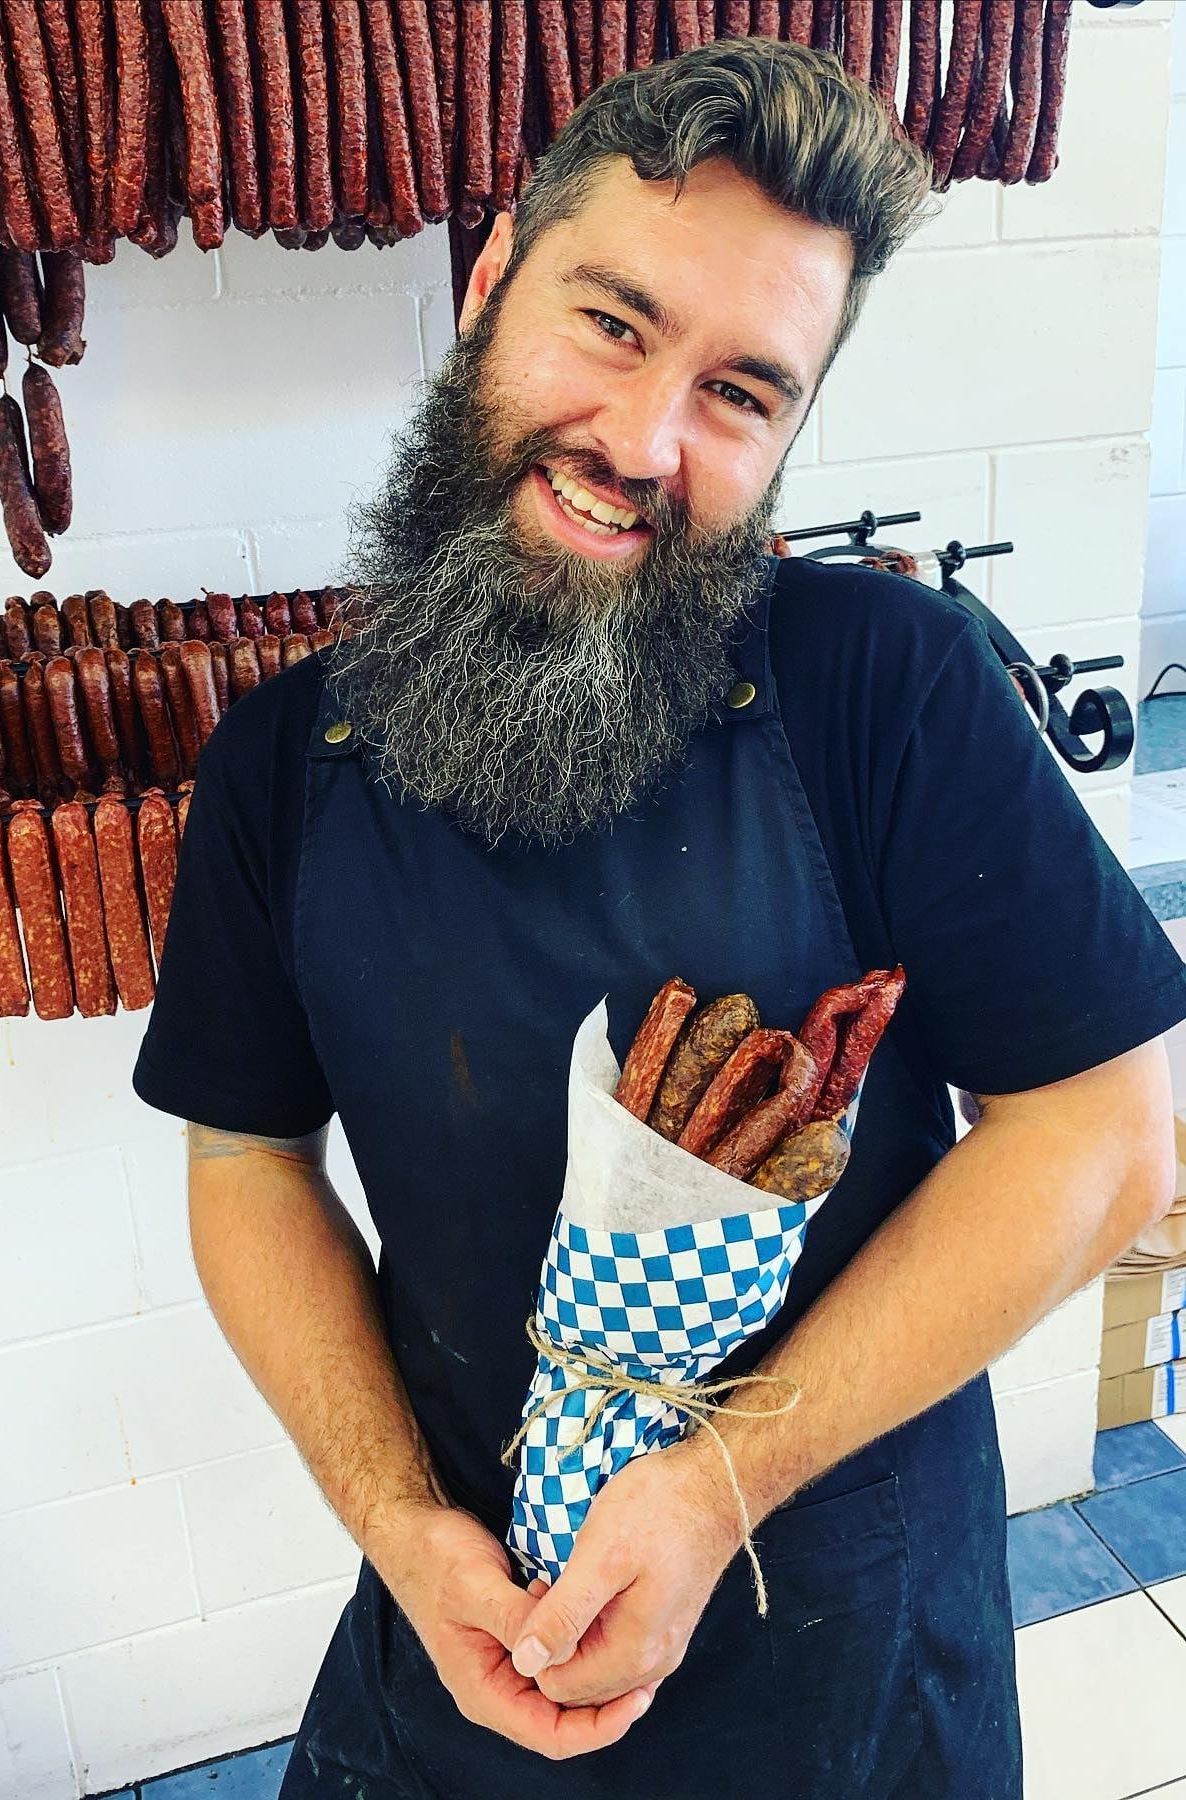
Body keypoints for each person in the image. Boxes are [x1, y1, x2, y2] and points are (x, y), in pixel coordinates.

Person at [133, 37, 1185, 1799]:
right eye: (613, 324)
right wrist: (396, 1524)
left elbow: (1106, 1130)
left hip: (850, 1651)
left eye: (741, 394)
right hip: (465, 1619)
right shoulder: (279, 768)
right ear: (491, 282)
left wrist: (715, 1489)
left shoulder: (888, 689)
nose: (642, 442)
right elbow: (247, 1162)